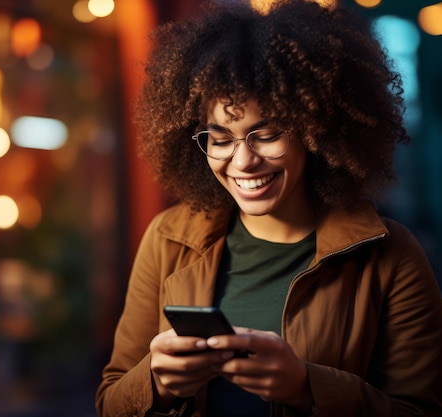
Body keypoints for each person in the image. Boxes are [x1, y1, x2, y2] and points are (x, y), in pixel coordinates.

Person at [95, 0, 442, 416]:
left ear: (316, 130)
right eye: (220, 138)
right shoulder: (168, 238)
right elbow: (110, 402)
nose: (242, 162)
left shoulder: (392, 257)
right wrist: (155, 381)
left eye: (267, 134)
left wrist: (307, 387)